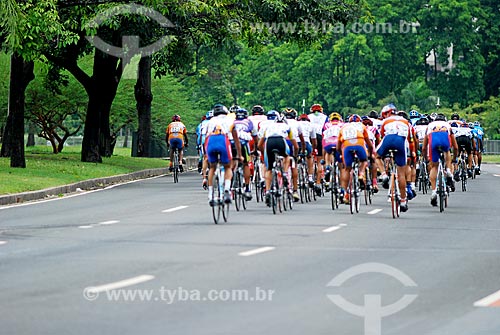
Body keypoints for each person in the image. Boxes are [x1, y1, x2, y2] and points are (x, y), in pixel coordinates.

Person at [374, 104, 412, 212]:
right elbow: (409, 138)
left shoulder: (385, 121)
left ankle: (384, 175)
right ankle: (403, 201)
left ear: (387, 113)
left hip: (388, 139)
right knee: (401, 173)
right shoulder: (405, 121)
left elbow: (382, 135)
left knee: (376, 156)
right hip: (401, 141)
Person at [204, 104, 242, 206]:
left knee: (212, 167)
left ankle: (211, 194)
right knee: (227, 166)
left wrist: (205, 154)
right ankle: (226, 189)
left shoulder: (210, 121)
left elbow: (205, 137)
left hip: (210, 141)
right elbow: (235, 138)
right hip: (223, 141)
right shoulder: (229, 120)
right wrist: (239, 154)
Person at [258, 112, 298, 206]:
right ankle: (284, 172)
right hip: (281, 141)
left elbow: (260, 144)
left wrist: (264, 155)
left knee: (269, 169)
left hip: (269, 142)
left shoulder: (267, 127)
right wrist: (295, 156)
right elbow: (295, 145)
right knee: (287, 156)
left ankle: (267, 191)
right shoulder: (287, 127)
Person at [422, 113, 458, 207]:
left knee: (434, 166)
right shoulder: (448, 125)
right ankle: (449, 171)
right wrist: (454, 159)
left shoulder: (430, 126)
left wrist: (426, 158)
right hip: (444, 140)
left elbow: (424, 147)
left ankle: (434, 191)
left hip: (433, 142)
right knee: (447, 152)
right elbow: (455, 146)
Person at [337, 114, 374, 204]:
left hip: (347, 146)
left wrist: (340, 154)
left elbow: (338, 146)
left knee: (347, 169)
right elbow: (369, 143)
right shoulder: (362, 126)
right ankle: (361, 174)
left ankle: (345, 192)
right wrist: (370, 153)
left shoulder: (343, 127)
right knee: (363, 160)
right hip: (359, 143)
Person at [233, 107, 258, 200]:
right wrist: (255, 148)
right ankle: (247, 189)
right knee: (246, 164)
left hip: (232, 143)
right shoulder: (249, 122)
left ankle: (231, 186)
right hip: (243, 143)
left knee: (231, 163)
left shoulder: (232, 122)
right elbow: (255, 136)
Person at [308, 104, 328, 196]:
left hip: (310, 137)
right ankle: (318, 183)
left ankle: (309, 176)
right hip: (320, 136)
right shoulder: (325, 117)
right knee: (320, 160)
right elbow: (326, 129)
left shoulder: (308, 116)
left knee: (310, 157)